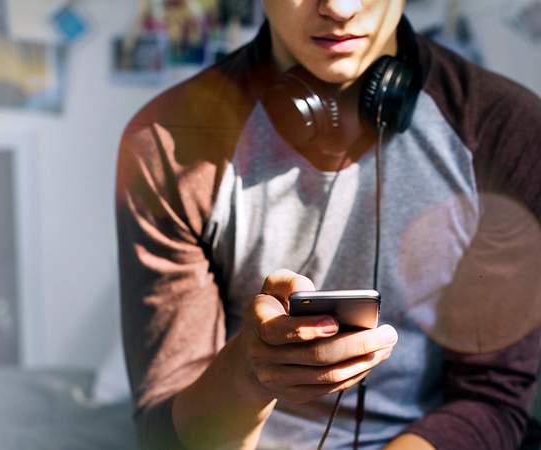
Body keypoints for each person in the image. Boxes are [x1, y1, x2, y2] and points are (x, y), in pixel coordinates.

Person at [115, 1, 541, 449]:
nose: (339, 8)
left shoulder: (507, 130)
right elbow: (166, 434)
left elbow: (490, 400)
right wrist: (249, 373)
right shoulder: (166, 144)